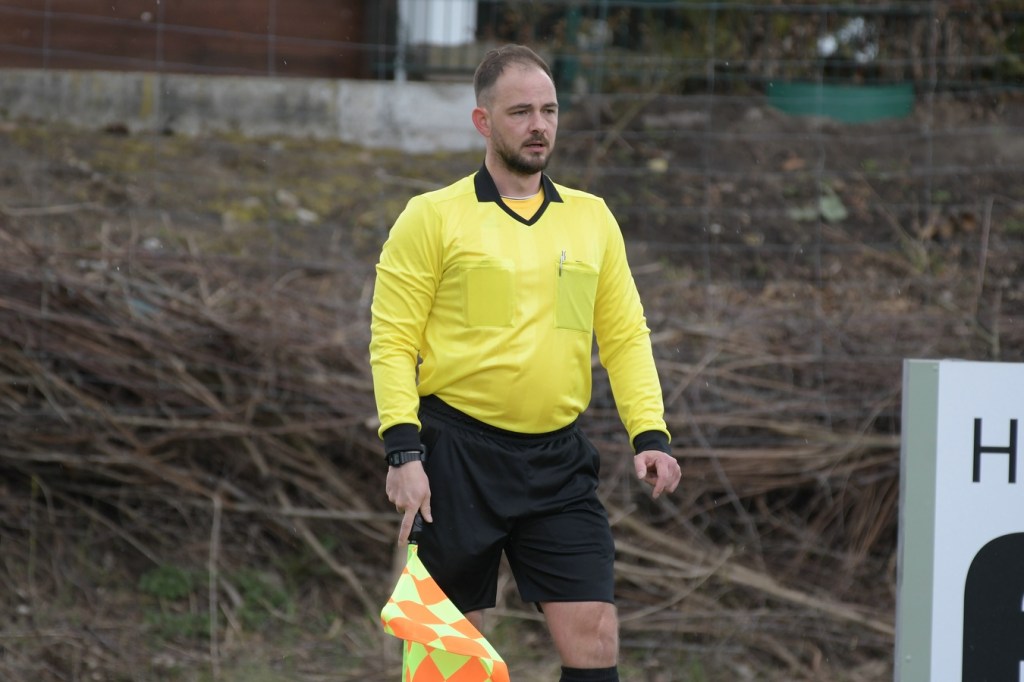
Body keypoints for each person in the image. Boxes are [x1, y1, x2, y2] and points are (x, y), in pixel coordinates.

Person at [369, 44, 681, 682]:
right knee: (451, 657)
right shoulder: (432, 217)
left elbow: (625, 335)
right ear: (483, 122)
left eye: (549, 110)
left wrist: (649, 433)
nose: (539, 125)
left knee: (595, 635)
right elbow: (393, 340)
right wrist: (403, 452)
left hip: (557, 464)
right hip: (455, 459)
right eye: (520, 113)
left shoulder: (592, 220)